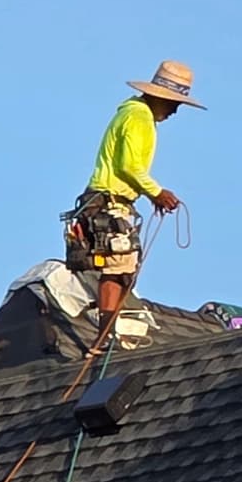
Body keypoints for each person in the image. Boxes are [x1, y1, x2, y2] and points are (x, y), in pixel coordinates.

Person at [66, 60, 203, 318]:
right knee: (118, 269)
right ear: (159, 97)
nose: (175, 111)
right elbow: (129, 165)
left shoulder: (132, 113)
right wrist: (157, 192)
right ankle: (106, 330)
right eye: (174, 103)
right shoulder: (139, 116)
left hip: (106, 200)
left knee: (122, 268)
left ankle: (107, 326)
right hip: (109, 201)